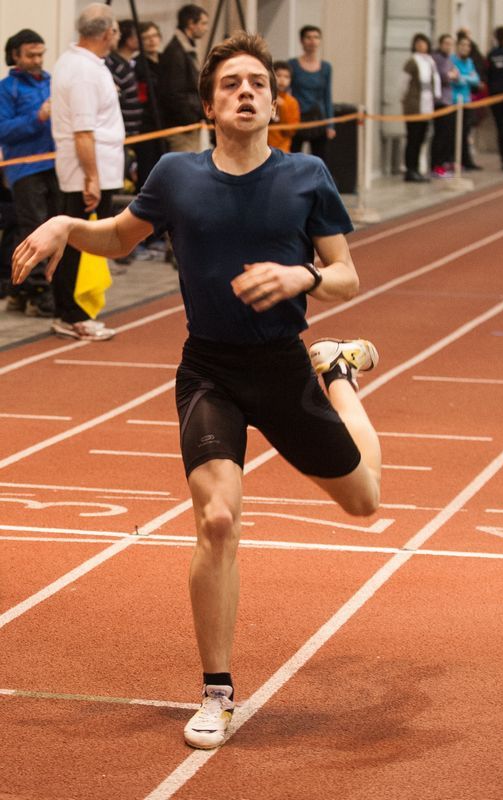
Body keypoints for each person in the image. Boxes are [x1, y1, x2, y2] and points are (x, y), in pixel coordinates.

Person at [12, 31, 381, 751]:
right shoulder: (177, 175)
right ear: (210, 106)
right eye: (230, 84)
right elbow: (119, 238)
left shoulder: (306, 175)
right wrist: (64, 223)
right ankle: (217, 692)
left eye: (257, 83)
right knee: (216, 520)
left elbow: (346, 275)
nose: (246, 92)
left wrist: (303, 275)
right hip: (211, 369)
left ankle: (337, 373)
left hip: (283, 367)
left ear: (272, 100)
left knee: (365, 500)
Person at [50, 3, 123, 341]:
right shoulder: (81, 70)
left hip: (96, 168)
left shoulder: (85, 64)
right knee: (79, 243)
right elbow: (83, 132)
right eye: (116, 30)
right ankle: (71, 313)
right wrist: (91, 177)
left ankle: (77, 309)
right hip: (87, 171)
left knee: (85, 242)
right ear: (108, 33)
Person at [0, 28, 59, 317]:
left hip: (55, 165)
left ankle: (18, 292)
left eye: (40, 54)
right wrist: (38, 117)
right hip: (24, 168)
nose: (37, 60)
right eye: (31, 55)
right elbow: (3, 130)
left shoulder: (51, 82)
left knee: (52, 226)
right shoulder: (6, 89)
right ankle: (38, 293)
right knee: (34, 230)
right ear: (15, 55)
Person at [158, 4, 209, 153]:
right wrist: (191, 118)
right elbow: (174, 92)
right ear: (191, 24)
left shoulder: (184, 48)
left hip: (188, 124)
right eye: (203, 23)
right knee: (185, 165)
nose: (206, 28)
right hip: (182, 127)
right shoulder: (176, 52)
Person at [289, 25, 336, 163]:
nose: (312, 41)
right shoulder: (292, 65)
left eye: (316, 37)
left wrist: (330, 124)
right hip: (298, 118)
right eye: (308, 37)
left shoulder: (326, 67)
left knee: (320, 160)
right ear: (302, 41)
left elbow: (327, 96)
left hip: (318, 118)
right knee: (293, 159)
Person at [400, 33, 441, 182]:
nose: (421, 46)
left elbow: (434, 81)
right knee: (413, 137)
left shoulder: (430, 61)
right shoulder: (412, 61)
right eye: (418, 43)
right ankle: (410, 169)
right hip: (414, 105)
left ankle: (417, 168)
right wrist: (404, 98)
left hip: (427, 104)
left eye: (423, 43)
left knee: (421, 138)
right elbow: (403, 82)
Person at [134, 21, 165, 190]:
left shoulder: (166, 60)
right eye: (146, 38)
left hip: (166, 122)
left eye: (154, 36)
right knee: (148, 170)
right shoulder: (137, 65)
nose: (152, 41)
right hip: (147, 125)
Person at [451, 36, 482, 170]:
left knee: (466, 132)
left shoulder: (469, 62)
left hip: (467, 101)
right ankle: (452, 161)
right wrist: (466, 78)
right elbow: (454, 79)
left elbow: (476, 80)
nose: (465, 48)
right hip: (453, 101)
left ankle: (466, 161)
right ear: (457, 46)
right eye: (463, 45)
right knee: (454, 133)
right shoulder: (451, 60)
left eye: (468, 45)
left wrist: (462, 77)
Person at [431, 34, 459, 177]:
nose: (449, 46)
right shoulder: (436, 58)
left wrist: (453, 75)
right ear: (441, 44)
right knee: (440, 135)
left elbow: (457, 75)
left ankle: (443, 163)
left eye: (451, 44)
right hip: (439, 102)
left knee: (448, 134)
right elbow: (444, 76)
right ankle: (436, 165)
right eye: (446, 43)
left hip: (449, 101)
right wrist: (451, 75)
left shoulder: (449, 59)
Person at [486, 25, 503, 171]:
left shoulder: (491, 54)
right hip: (502, 95)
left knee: (501, 128)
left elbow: (487, 74)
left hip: (494, 95)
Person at [267, 60, 301, 152]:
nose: (282, 80)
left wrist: (283, 107)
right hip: (263, 148)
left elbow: (290, 131)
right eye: (278, 75)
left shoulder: (292, 102)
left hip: (282, 149)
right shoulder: (265, 97)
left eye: (286, 77)